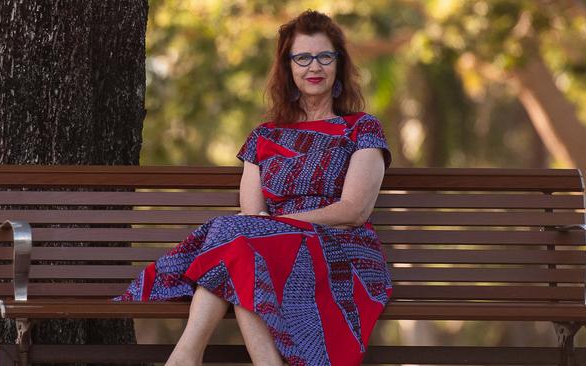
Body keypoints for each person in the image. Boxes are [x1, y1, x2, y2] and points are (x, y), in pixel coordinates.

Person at [115, 9, 392, 366]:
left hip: (340, 252)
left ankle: (185, 356)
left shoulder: (362, 129)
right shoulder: (264, 137)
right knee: (244, 248)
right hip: (268, 250)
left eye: (325, 56)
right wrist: (268, 229)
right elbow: (251, 214)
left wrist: (279, 224)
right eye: (303, 58)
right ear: (288, 68)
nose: (314, 67)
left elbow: (354, 210)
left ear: (339, 64)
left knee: (241, 245)